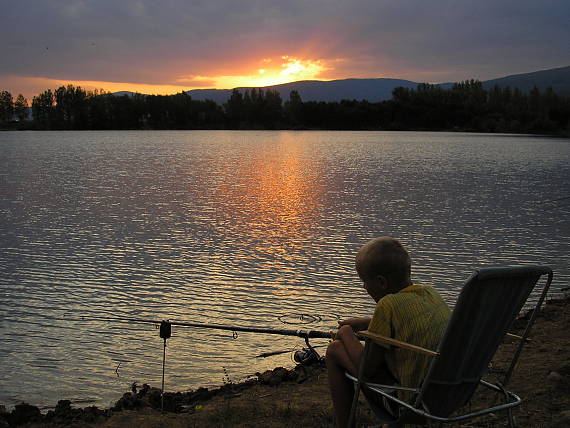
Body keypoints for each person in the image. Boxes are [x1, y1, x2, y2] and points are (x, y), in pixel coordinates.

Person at [326, 237, 451, 427]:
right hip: (447, 396)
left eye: (364, 282)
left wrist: (345, 332)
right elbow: (409, 322)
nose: (364, 287)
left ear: (382, 283)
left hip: (411, 406)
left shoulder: (387, 305)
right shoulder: (430, 293)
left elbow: (366, 370)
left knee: (335, 350)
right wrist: (370, 323)